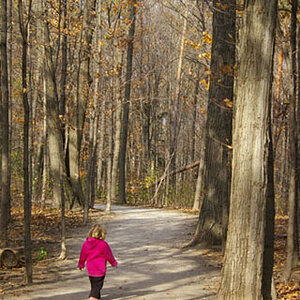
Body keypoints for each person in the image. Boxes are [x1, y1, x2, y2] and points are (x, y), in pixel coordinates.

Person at [78, 224, 118, 300]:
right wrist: (113, 263)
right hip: (100, 269)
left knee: (94, 286)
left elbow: (82, 255)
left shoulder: (86, 244)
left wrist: (81, 264)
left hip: (90, 269)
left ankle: (97, 297)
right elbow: (109, 255)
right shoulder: (103, 245)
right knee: (97, 287)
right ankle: (93, 298)